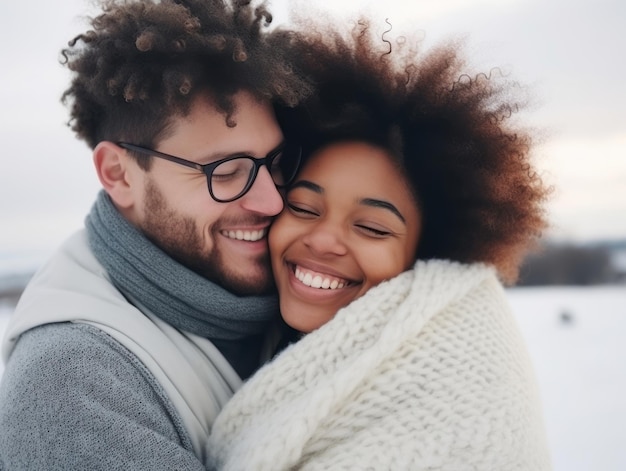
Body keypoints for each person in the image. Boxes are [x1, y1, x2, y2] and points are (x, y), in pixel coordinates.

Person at [205, 17, 553, 470]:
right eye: (304, 209)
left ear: (426, 253)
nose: (324, 240)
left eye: (371, 228)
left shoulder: (456, 392)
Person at [0, 0, 309, 469]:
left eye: (277, 165)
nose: (271, 201)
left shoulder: (307, 300)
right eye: (225, 172)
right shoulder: (75, 384)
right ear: (119, 174)